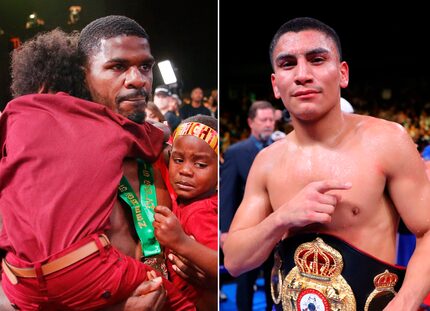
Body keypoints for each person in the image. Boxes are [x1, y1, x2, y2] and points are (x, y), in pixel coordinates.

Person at [223, 17, 430, 311]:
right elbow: (234, 260)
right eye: (287, 64)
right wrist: (282, 217)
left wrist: (406, 303)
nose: (302, 74)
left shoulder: (387, 141)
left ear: (342, 73)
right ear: (275, 85)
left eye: (317, 59)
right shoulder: (267, 162)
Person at [0, 21, 194, 310]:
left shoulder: (180, 159)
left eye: (145, 67)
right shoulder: (29, 165)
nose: (138, 79)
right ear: (82, 76)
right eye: (117, 67)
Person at [154, 115, 218, 311]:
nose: (185, 171)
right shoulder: (184, 199)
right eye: (179, 160)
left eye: (200, 164)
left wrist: (181, 242)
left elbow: (222, 263)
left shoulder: (203, 210)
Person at [220, 100, 276, 311]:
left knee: (275, 279)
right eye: (263, 120)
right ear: (251, 122)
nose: (268, 124)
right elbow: (227, 194)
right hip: (248, 230)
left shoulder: (282, 148)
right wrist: (225, 231)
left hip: (279, 230)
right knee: (245, 281)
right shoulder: (236, 152)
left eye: (271, 119)